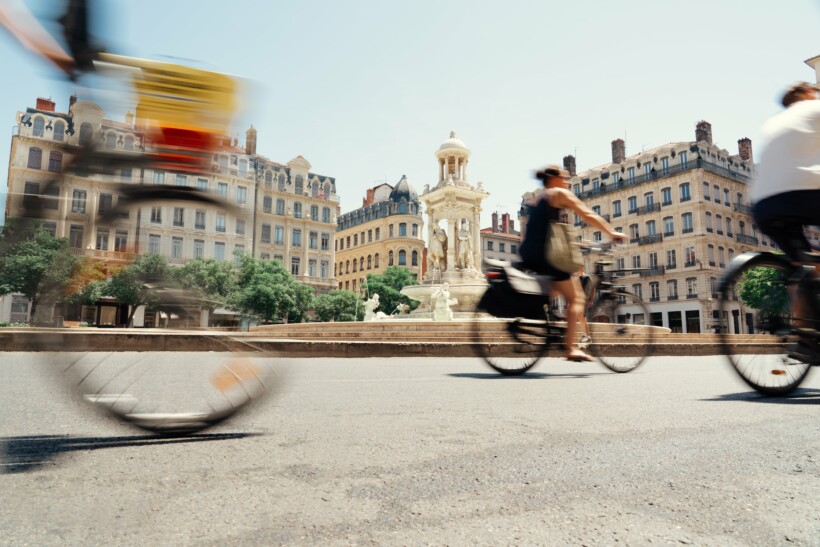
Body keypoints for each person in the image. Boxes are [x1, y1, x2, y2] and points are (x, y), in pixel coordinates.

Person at [519, 166, 627, 362]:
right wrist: (613, 233)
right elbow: (587, 214)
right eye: (565, 178)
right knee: (577, 298)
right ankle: (570, 348)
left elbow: (550, 231)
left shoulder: (540, 198)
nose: (568, 182)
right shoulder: (559, 193)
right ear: (554, 179)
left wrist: (578, 245)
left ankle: (551, 327)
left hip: (531, 254)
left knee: (555, 292)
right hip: (547, 256)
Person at [752, 82, 820, 352]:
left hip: (763, 205)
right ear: (806, 95)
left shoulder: (773, 123)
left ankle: (804, 338)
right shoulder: (814, 108)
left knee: (802, 266)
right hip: (802, 191)